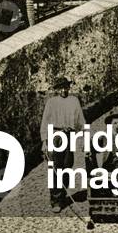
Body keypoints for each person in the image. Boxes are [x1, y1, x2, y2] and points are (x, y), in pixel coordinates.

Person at [40, 76, 86, 212]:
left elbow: (81, 121)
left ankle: (63, 195)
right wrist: (44, 142)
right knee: (55, 168)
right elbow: (45, 123)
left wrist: (83, 138)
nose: (64, 90)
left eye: (66, 87)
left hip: (69, 135)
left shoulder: (74, 101)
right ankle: (55, 200)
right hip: (55, 135)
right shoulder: (51, 103)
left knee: (67, 166)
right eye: (61, 88)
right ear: (56, 89)